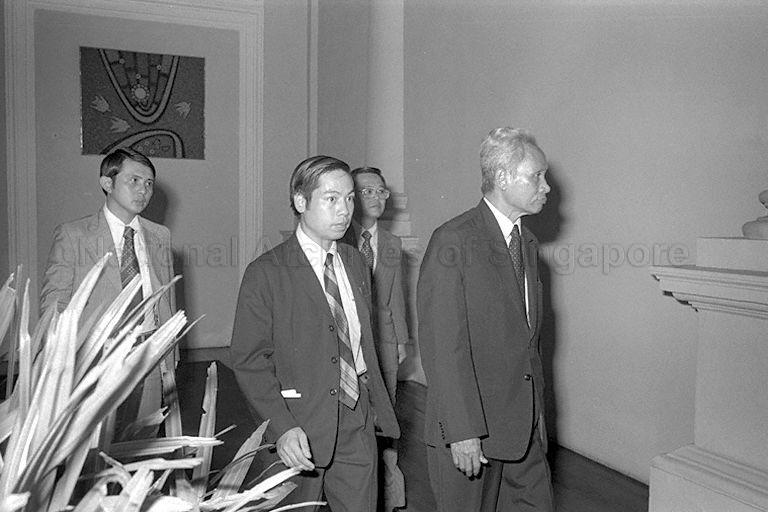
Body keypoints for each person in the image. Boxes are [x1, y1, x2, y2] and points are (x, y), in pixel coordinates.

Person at [230, 155, 400, 512]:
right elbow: (249, 360)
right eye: (332, 198)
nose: (345, 209)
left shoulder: (354, 262)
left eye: (350, 198)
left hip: (356, 418)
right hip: (298, 426)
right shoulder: (266, 272)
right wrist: (283, 426)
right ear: (300, 201)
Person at [417, 127, 554, 511]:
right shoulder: (453, 241)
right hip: (471, 435)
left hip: (523, 430)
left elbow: (527, 342)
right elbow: (443, 346)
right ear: (502, 178)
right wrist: (463, 432)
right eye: (537, 176)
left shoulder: (526, 244)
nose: (546, 187)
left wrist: (538, 418)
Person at [40, 148, 176, 430]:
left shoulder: (159, 235)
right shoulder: (74, 235)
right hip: (94, 360)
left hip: (149, 354)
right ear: (107, 183)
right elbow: (55, 305)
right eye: (134, 181)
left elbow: (168, 300)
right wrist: (60, 365)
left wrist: (169, 358)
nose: (144, 191)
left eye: (149, 183)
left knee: (143, 444)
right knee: (93, 453)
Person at [341, 166, 409, 511]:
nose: (378, 198)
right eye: (367, 191)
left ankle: (390, 495)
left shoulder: (393, 244)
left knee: (387, 417)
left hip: (383, 344)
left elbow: (394, 297)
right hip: (346, 343)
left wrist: (400, 342)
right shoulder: (339, 240)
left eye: (382, 191)